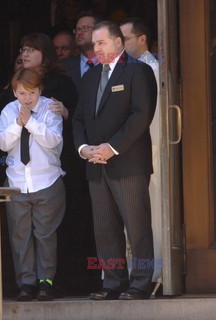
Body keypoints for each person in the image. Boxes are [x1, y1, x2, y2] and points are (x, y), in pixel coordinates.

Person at [72, 21, 157, 300]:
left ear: (118, 42)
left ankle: (142, 281)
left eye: (101, 43)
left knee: (137, 227)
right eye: (94, 44)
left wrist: (112, 147)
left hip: (128, 163)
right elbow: (79, 119)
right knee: (105, 230)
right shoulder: (90, 77)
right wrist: (84, 149)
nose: (95, 48)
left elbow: (141, 116)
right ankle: (113, 283)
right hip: (95, 165)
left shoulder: (138, 71)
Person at [0, 68, 66, 301]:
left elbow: (54, 140)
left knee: (45, 234)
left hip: (47, 181)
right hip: (17, 183)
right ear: (14, 92)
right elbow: (2, 143)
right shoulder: (8, 110)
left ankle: (46, 281)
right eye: (22, 93)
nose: (27, 98)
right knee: (20, 235)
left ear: (40, 90)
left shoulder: (49, 108)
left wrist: (32, 123)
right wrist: (18, 123)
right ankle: (26, 282)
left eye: (32, 93)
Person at [120, 17, 162, 283]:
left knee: (150, 213)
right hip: (129, 152)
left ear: (142, 39)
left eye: (125, 39)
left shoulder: (151, 68)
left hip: (150, 149)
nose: (121, 45)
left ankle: (154, 272)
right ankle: (130, 273)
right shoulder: (129, 68)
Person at [60, 12, 102, 92]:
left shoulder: (111, 64)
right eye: (77, 29)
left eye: (85, 28)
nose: (79, 33)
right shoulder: (64, 66)